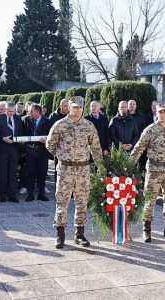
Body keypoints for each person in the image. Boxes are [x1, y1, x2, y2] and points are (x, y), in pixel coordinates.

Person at [46, 97, 103, 249]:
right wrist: (62, 156)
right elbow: (50, 144)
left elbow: (96, 148)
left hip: (83, 169)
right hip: (65, 169)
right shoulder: (60, 125)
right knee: (62, 201)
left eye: (79, 107)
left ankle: (79, 234)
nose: (77, 110)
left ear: (83, 108)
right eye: (74, 107)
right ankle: (60, 234)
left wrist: (101, 166)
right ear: (69, 107)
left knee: (82, 201)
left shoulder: (88, 125)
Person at [130, 102, 165, 243]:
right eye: (160, 111)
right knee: (150, 199)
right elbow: (139, 148)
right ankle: (146, 229)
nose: (162, 114)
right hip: (154, 170)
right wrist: (128, 165)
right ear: (156, 112)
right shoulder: (150, 129)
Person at [21, 104, 52, 202]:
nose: (29, 113)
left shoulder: (47, 122)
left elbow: (52, 136)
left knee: (42, 172)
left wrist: (46, 141)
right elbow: (22, 133)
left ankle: (41, 194)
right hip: (30, 150)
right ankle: (30, 194)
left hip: (42, 151)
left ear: (38, 112)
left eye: (31, 111)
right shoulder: (26, 120)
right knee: (30, 173)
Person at [0, 101, 23, 203]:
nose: (11, 113)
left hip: (14, 150)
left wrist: (20, 140)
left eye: (13, 111)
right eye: (9, 111)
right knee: (2, 173)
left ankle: (12, 195)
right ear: (5, 109)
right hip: (3, 149)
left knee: (13, 173)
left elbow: (20, 132)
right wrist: (3, 138)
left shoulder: (18, 118)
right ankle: (3, 195)